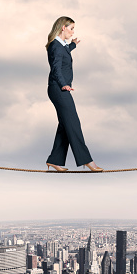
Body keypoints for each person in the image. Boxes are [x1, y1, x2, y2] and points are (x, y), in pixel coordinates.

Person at [45, 16, 103, 172]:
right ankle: (87, 160)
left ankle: (55, 160)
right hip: (59, 89)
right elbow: (56, 68)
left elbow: (64, 53)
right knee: (73, 123)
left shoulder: (60, 45)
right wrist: (64, 84)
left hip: (59, 88)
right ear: (63, 27)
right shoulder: (56, 46)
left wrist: (73, 45)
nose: (72, 32)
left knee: (65, 125)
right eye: (71, 29)